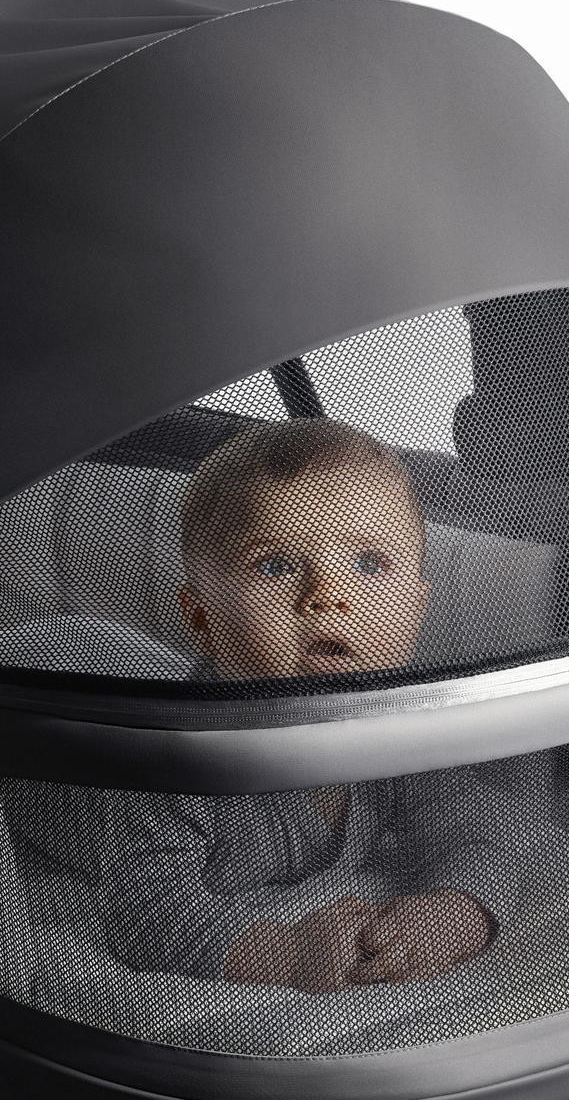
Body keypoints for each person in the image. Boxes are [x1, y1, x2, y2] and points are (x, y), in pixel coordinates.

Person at [100, 418, 512, 993]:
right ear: (203, 619)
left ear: (418, 606)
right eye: (276, 566)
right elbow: (147, 909)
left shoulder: (404, 726)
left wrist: (457, 910)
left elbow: (467, 828)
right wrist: (285, 955)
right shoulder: (175, 752)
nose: (328, 595)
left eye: (369, 564)